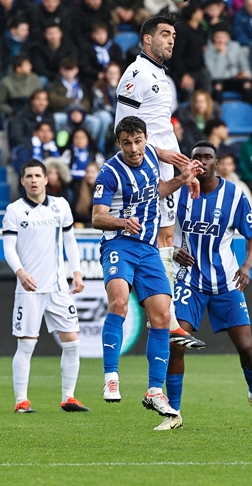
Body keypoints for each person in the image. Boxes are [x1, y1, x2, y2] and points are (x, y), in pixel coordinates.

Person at [92, 116, 202, 419]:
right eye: (126, 142)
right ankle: (111, 377)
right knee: (119, 302)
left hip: (148, 248)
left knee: (163, 316)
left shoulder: (152, 155)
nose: (133, 147)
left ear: (145, 139)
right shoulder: (110, 172)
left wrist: (183, 179)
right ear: (119, 143)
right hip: (119, 244)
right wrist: (121, 222)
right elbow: (97, 217)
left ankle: (154, 391)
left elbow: (155, 192)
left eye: (137, 140)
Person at [160, 140, 252, 430]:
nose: (202, 161)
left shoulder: (234, 195)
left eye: (208, 157)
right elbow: (160, 232)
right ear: (189, 162)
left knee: (246, 346)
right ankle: (174, 413)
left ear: (216, 163)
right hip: (190, 280)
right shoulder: (179, 191)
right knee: (177, 342)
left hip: (226, 281)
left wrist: (246, 266)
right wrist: (172, 251)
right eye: (197, 157)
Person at [114, 14, 208, 349]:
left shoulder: (162, 77)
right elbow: (124, 132)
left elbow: (161, 129)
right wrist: (163, 156)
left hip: (166, 169)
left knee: (167, 237)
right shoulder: (136, 75)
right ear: (147, 40)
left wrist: (183, 173)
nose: (171, 40)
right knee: (156, 239)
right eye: (164, 34)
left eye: (173, 35)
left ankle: (167, 321)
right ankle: (165, 322)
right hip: (149, 169)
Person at [2, 158, 88, 414]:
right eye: (28, 176)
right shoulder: (15, 210)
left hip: (58, 287)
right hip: (30, 289)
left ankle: (69, 397)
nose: (33, 180)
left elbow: (70, 241)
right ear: (22, 181)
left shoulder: (60, 206)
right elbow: (8, 248)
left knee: (72, 342)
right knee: (26, 345)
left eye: (38, 176)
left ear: (47, 179)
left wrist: (77, 272)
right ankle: (21, 401)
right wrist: (20, 272)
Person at [205, 26, 252, 104]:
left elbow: (245, 65)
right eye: (217, 37)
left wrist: (246, 74)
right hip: (219, 79)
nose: (220, 40)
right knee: (217, 87)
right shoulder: (209, 51)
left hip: (235, 77)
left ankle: (248, 111)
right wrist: (221, 54)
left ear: (228, 37)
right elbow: (216, 74)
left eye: (223, 37)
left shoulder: (235, 46)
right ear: (213, 38)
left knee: (247, 85)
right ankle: (217, 113)